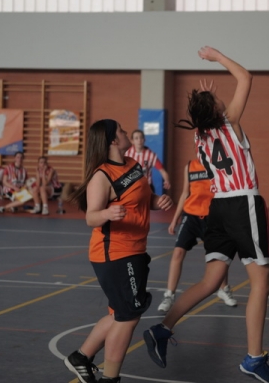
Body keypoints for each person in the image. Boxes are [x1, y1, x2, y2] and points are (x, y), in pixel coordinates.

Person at [144, 47, 269, 383]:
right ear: (218, 110)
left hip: (216, 208)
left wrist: (206, 100)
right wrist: (218, 57)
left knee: (210, 281)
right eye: (218, 101)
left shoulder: (200, 135)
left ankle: (162, 329)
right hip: (242, 203)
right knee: (261, 282)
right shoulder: (230, 123)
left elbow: (206, 113)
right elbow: (245, 77)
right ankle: (254, 358)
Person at [64, 119, 173, 383]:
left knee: (119, 313)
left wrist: (157, 201)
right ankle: (110, 378)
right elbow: (91, 217)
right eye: (122, 131)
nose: (126, 133)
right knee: (128, 317)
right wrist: (107, 213)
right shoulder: (101, 176)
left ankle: (81, 357)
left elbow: (141, 199)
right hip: (114, 254)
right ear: (113, 140)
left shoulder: (133, 165)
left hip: (135, 249)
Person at [157, 158, 237, 312]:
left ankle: (224, 289)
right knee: (178, 252)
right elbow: (185, 193)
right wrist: (175, 219)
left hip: (212, 217)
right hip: (191, 217)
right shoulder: (189, 166)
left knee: (218, 256)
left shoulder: (217, 165)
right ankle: (169, 295)